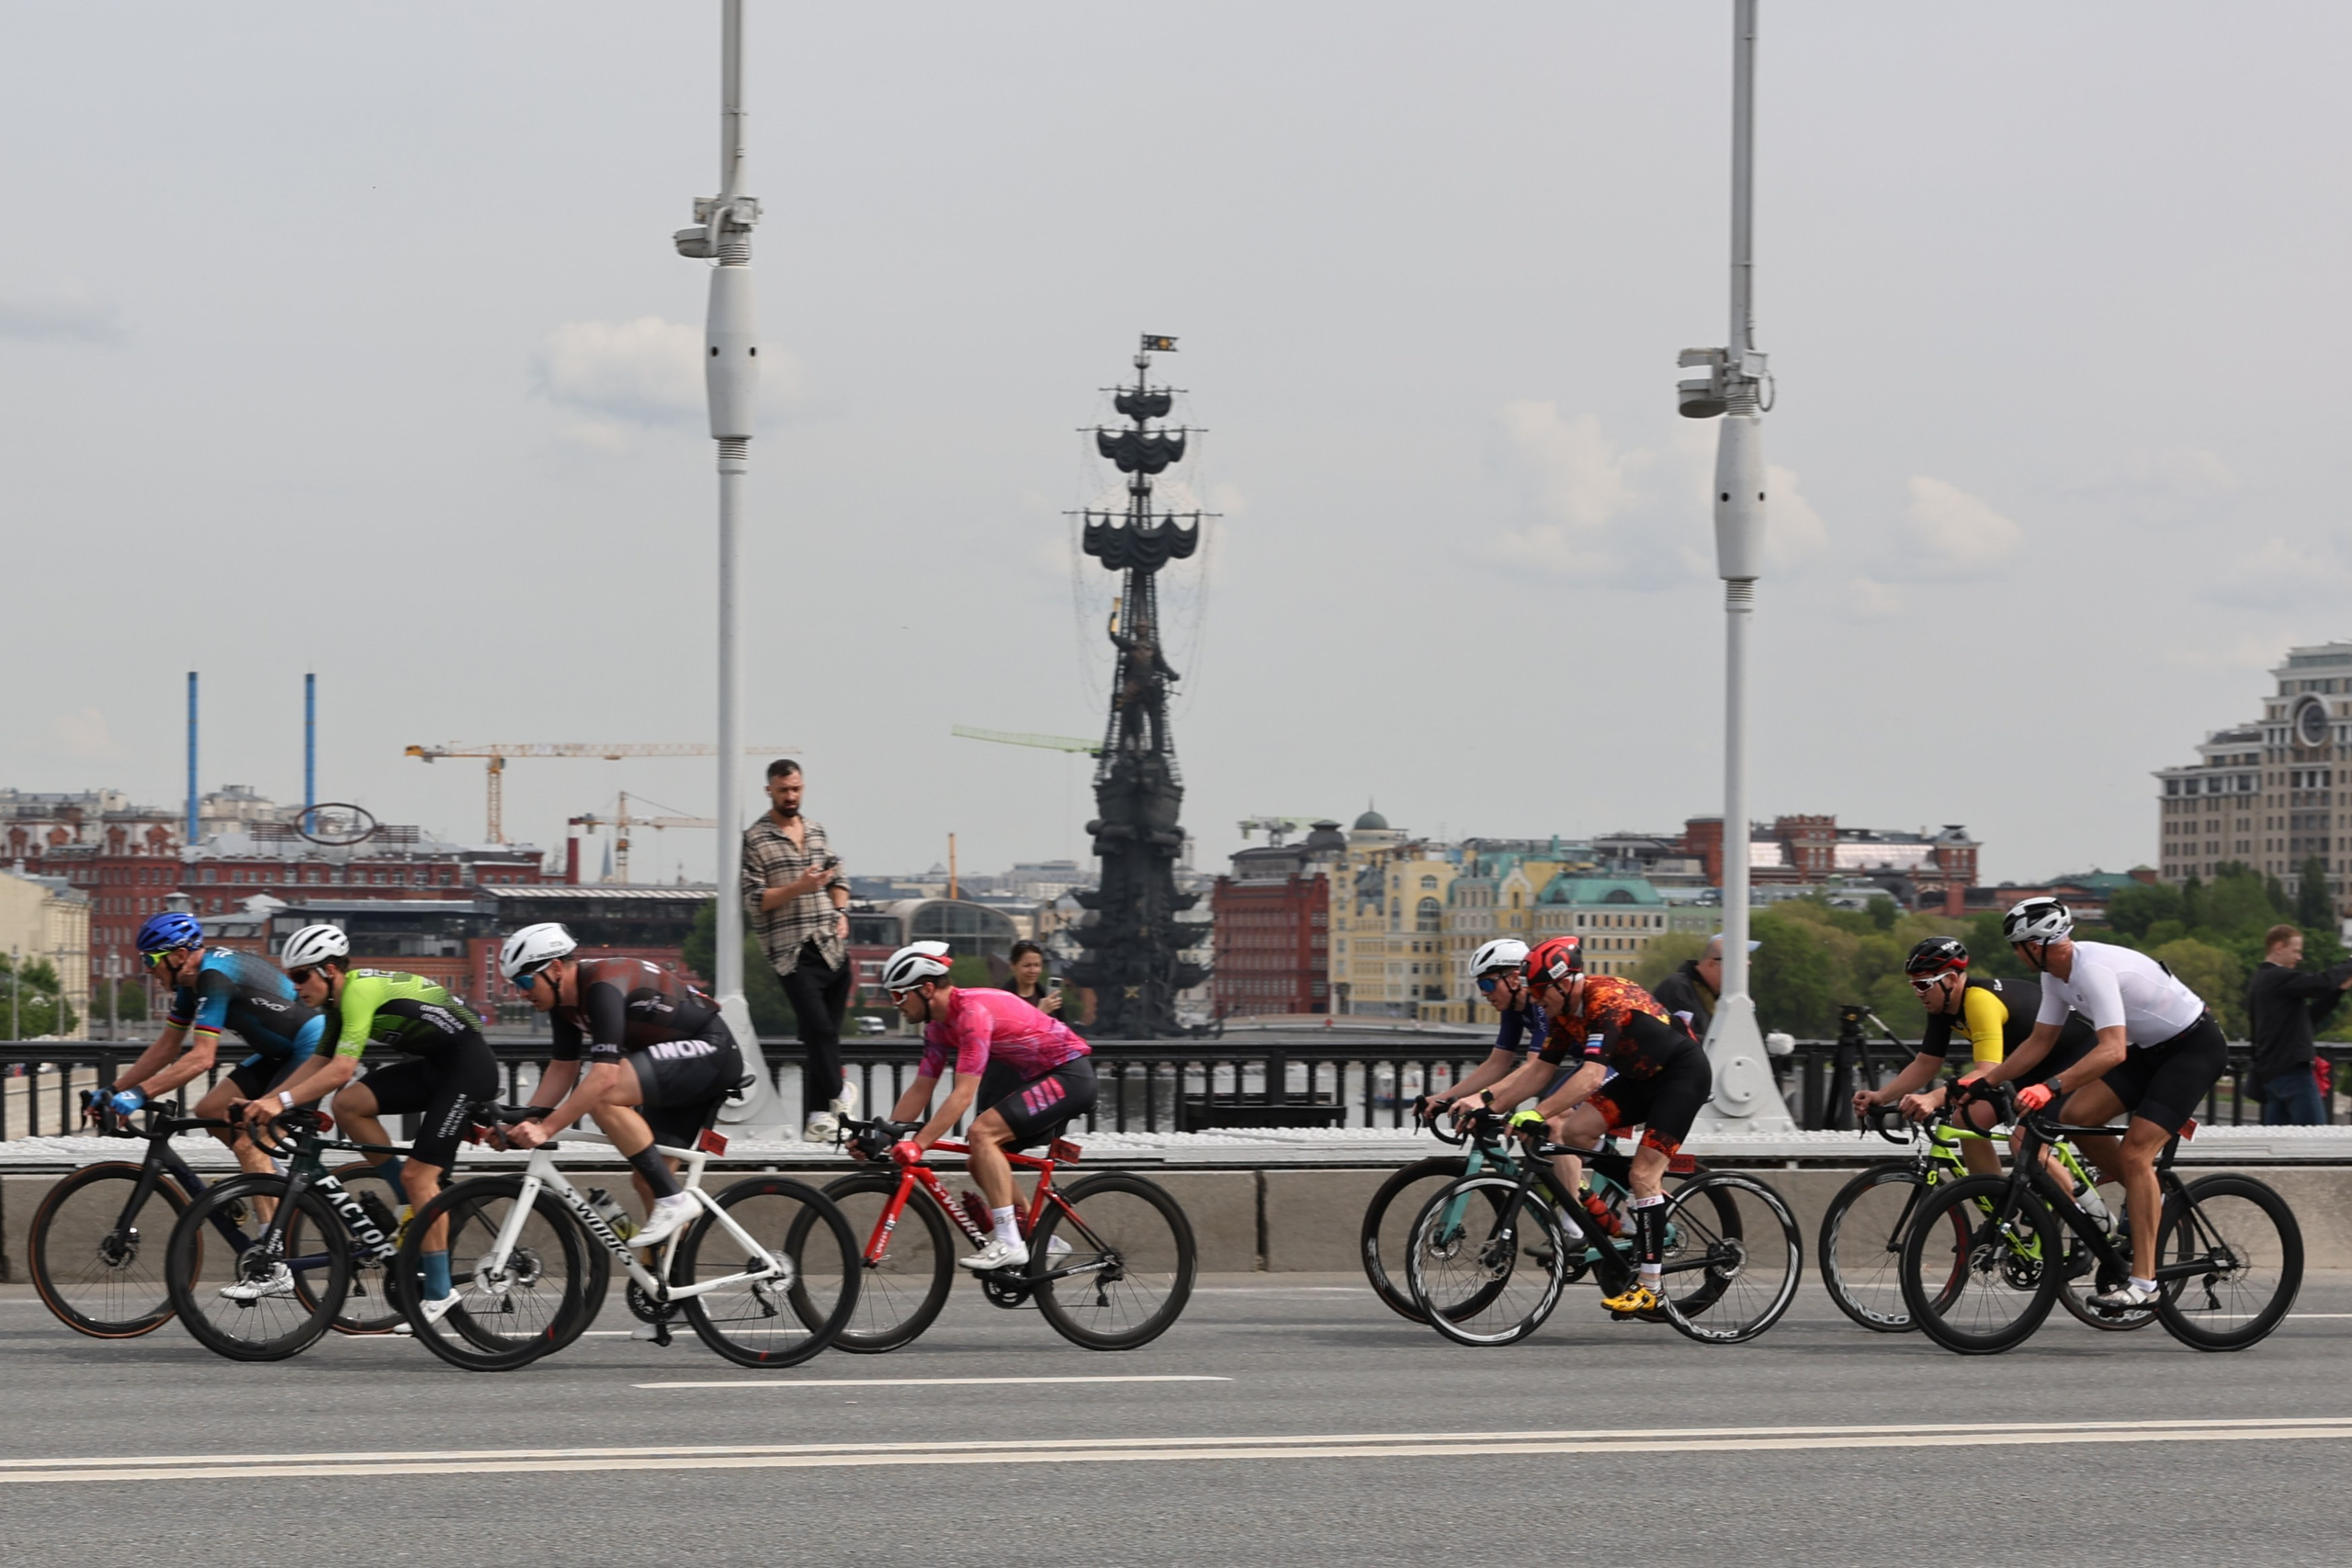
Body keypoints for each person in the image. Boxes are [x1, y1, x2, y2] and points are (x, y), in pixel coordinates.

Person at [1974, 897, 2228, 1314]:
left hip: (2193, 1049)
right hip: (2149, 1049)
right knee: (2075, 1118)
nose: (2015, 954)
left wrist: (2049, 1087)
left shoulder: (2091, 969)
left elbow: (2111, 1051)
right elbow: (2039, 1042)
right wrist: (1985, 1081)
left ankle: (2145, 1284)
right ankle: (2149, 1199)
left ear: (2037, 944)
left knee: (2135, 1153)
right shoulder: (2054, 977)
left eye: (2017, 946)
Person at [241, 924, 499, 1325]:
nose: (295, 989)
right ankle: (410, 1202)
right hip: (438, 1068)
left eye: (300, 976)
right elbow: (320, 1064)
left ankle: (438, 1291)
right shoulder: (336, 1006)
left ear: (328, 970)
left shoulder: (357, 993)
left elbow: (343, 1067)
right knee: (349, 1105)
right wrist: (269, 1101)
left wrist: (282, 1102)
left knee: (420, 1176)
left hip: (468, 1069)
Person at [1451, 936, 1711, 1317]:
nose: (1536, 1000)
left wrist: (1539, 1115)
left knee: (1643, 1173)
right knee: (1574, 1133)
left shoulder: (1603, 1000)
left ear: (1564, 981)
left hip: (1681, 1076)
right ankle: (1635, 1204)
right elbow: (1540, 1070)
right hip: (1640, 1079)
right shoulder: (1562, 1013)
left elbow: (1590, 1076)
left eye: (1541, 991)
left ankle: (1650, 1286)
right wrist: (1489, 1106)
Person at [499, 922, 743, 1261]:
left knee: (603, 1095)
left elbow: (604, 1078)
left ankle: (674, 1201)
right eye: (515, 985)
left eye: (525, 981)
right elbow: (563, 1068)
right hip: (674, 1067)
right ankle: (672, 1283)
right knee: (646, 1180)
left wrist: (546, 1129)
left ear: (555, 969)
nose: (522, 993)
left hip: (710, 1051)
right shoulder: (562, 1003)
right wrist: (526, 1119)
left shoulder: (601, 986)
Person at [869, 941, 1096, 1270]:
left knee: (981, 1133)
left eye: (898, 995)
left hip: (1070, 1075)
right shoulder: (937, 1027)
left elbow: (962, 1095)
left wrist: (918, 1145)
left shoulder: (972, 1014)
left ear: (927, 989)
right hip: (1043, 1079)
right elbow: (921, 1088)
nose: (896, 1005)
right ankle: (1040, 1240)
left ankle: (1008, 1242)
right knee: (979, 1160)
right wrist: (886, 1136)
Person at [1855, 938, 2100, 1201]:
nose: (1918, 993)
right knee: (1967, 1119)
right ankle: (1998, 1218)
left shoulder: (1979, 1000)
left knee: (2024, 1144)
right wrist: (1881, 1096)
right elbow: (1927, 1062)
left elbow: (1986, 1071)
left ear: (1950, 980)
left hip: (2075, 1058)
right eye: (1914, 984)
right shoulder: (1942, 1005)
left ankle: (2090, 1221)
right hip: (2028, 1064)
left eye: (1923, 984)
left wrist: (1931, 1098)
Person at [100, 913, 326, 1185]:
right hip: (281, 1054)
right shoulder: (188, 985)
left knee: (249, 1147)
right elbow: (166, 1047)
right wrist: (114, 1090)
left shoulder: (213, 978)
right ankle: (273, 1182)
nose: (147, 969)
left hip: (312, 1050)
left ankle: (271, 1226)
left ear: (179, 955)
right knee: (211, 1109)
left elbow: (202, 1058)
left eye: (151, 960)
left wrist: (138, 1094)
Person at [741, 758, 854, 1142]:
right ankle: (840, 1096)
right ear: (769, 790)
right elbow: (755, 899)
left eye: (796, 789)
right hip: (791, 951)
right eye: (783, 790)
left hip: (832, 946)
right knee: (820, 1030)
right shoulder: (755, 838)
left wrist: (841, 911)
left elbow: (839, 877)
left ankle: (816, 1119)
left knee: (820, 1038)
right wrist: (799, 888)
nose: (791, 796)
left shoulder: (817, 830)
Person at [1423, 938, 1552, 1117]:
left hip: (1595, 1066)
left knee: (1559, 1125)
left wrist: (1483, 1098)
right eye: (1480, 986)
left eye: (1488, 984)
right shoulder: (1512, 1008)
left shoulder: (1541, 1005)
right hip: (1581, 1066)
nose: (1484, 993)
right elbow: (1497, 1064)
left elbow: (1533, 1067)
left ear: (1515, 978)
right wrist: (1444, 1098)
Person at [2245, 922, 2352, 1126]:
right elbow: (2321, 983)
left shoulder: (2262, 979)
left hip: (2273, 1075)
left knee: (2280, 1144)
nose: (2299, 957)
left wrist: (2339, 991)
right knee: (2315, 1140)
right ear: (2278, 947)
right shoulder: (2277, 976)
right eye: (2295, 951)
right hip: (2292, 1073)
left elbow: (2307, 1018)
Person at [1650, 934, 1756, 1041]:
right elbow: (1683, 1041)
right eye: (1739, 962)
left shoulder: (1730, 996)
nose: (1748, 964)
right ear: (1711, 964)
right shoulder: (1677, 988)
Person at [1002, 940, 1064, 1016]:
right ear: (1013, 965)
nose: (1032, 971)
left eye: (1037, 965)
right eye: (1027, 965)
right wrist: (1039, 1013)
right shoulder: (1003, 999)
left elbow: (1061, 1026)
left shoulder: (1048, 998)